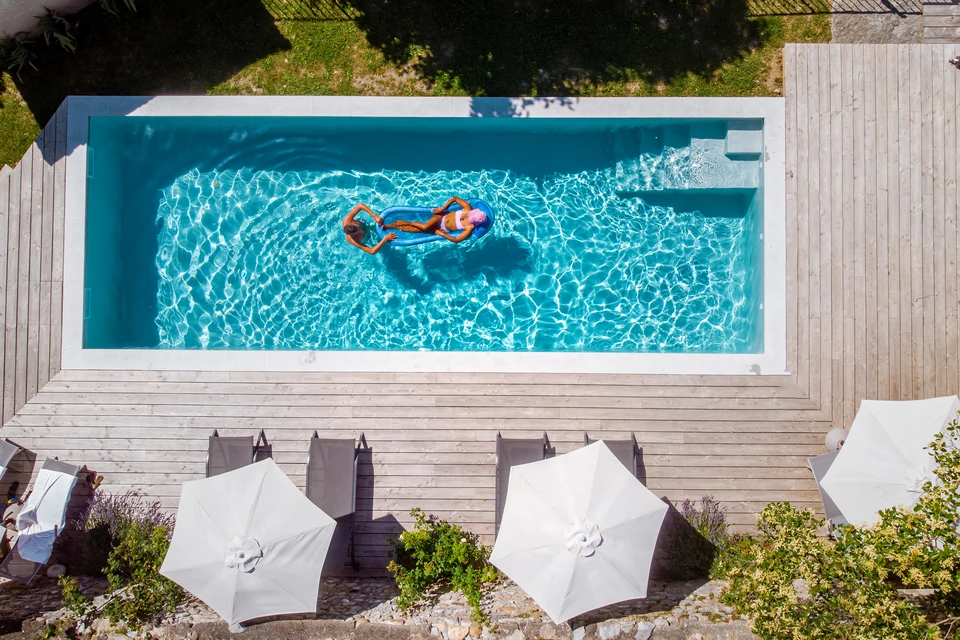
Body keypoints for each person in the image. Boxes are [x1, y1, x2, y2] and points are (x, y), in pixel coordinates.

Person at [383, 197, 487, 244]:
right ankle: (407, 222)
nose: (467, 218)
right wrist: (442, 208)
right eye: (471, 215)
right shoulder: (468, 208)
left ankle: (392, 226)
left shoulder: (470, 227)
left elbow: (457, 240)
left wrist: (443, 235)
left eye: (471, 219)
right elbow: (454, 198)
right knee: (424, 227)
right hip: (441, 217)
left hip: (442, 230)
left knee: (413, 230)